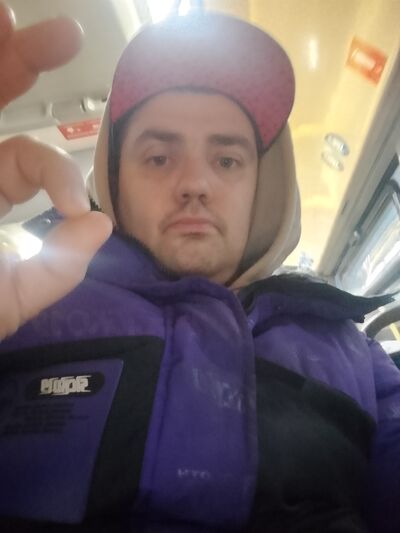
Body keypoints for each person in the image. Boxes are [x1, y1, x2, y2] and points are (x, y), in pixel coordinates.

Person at [0, 5, 399, 533]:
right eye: (159, 158)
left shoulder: (357, 356)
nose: (194, 184)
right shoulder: (28, 310)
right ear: (115, 180)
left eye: (227, 160)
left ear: (264, 189)